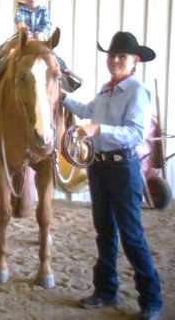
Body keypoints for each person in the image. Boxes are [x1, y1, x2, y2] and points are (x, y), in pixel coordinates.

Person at [62, 31, 162, 320]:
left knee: (131, 234)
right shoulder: (106, 90)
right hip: (99, 166)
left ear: (135, 61)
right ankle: (105, 290)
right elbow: (88, 110)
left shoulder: (137, 92)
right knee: (104, 231)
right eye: (113, 55)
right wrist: (63, 98)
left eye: (122, 56)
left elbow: (135, 133)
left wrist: (99, 130)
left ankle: (151, 300)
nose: (116, 60)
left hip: (122, 167)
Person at [0, 0, 81, 92]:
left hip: (40, 38)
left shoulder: (44, 11)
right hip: (23, 37)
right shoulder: (22, 10)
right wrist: (24, 31)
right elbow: (19, 21)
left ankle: (66, 74)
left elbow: (47, 24)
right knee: (3, 49)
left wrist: (40, 33)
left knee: (53, 56)